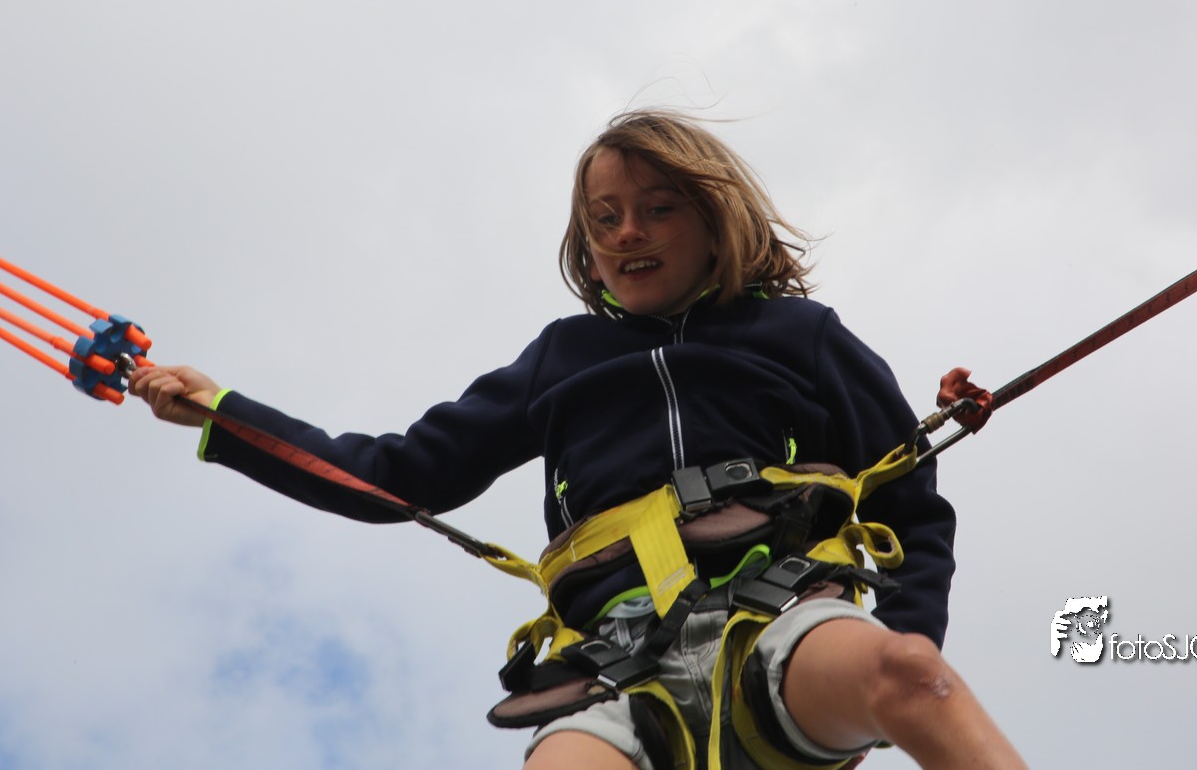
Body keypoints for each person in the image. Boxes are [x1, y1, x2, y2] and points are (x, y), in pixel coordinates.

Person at [131, 110, 1024, 769]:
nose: (627, 232)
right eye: (604, 218)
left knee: (909, 673)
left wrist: (892, 656)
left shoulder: (801, 338)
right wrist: (226, 416)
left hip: (783, 622)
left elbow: (911, 509)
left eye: (657, 209)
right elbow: (398, 475)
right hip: (620, 661)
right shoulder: (561, 361)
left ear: (715, 221)